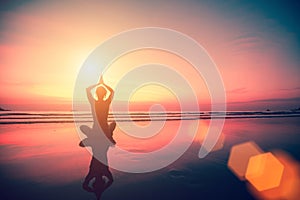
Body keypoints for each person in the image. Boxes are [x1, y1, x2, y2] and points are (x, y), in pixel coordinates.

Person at [85, 76, 116, 144]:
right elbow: (112, 91)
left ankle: (92, 136)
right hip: (105, 131)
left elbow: (87, 89)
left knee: (82, 127)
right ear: (105, 94)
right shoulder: (107, 102)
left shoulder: (93, 102)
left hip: (96, 129)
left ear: (96, 93)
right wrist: (103, 84)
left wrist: (98, 84)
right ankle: (109, 134)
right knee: (113, 123)